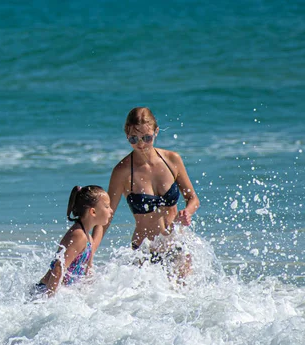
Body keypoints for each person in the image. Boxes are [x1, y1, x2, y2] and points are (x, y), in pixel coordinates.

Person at [93, 107, 199, 280]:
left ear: (156, 132)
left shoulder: (172, 160)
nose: (140, 144)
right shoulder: (123, 171)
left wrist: (187, 212)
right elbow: (106, 217)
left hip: (178, 246)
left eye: (146, 138)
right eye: (133, 139)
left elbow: (193, 198)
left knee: (185, 301)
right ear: (126, 136)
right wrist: (90, 252)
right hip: (145, 253)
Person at [33, 185, 113, 296]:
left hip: (62, 292)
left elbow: (88, 270)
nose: (111, 210)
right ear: (93, 212)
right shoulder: (78, 235)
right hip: (45, 291)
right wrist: (48, 300)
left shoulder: (87, 237)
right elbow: (58, 268)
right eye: (107, 206)